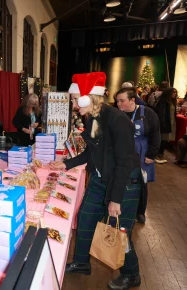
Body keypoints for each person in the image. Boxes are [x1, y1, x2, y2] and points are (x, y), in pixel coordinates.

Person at [59, 72, 142, 290]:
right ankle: (81, 262)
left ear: (89, 97)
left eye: (77, 99)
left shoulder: (117, 120)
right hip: (99, 178)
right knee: (85, 217)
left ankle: (132, 274)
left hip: (123, 183)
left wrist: (115, 199)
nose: (75, 105)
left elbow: (124, 163)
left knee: (120, 230)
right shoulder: (92, 117)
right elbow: (92, 152)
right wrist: (66, 163)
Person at [115, 87, 160, 224]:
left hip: (141, 151)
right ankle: (119, 207)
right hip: (121, 151)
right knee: (121, 179)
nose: (118, 104)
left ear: (132, 100)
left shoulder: (147, 113)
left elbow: (156, 134)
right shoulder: (116, 113)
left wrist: (151, 154)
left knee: (140, 182)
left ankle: (140, 211)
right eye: (117, 101)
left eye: (121, 101)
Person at [155, 88, 177, 164]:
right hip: (165, 123)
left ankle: (160, 154)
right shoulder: (163, 102)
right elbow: (162, 114)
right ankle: (158, 155)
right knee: (163, 139)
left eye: (175, 93)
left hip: (171, 122)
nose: (174, 94)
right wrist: (163, 124)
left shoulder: (172, 101)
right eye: (173, 93)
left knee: (165, 139)